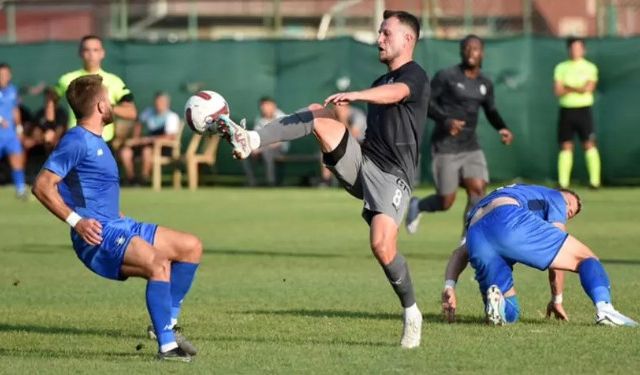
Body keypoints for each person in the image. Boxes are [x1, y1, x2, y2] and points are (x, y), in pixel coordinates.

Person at [212, 10, 429, 348]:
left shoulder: (414, 76)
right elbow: (378, 106)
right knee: (318, 111)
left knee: (381, 245)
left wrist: (357, 96)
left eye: (386, 33)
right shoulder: (377, 83)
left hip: (392, 177)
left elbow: (398, 93)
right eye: (380, 32)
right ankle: (252, 139)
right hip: (364, 162)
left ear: (408, 39)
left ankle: (412, 312)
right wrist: (341, 117)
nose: (379, 38)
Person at [32, 75, 203, 361]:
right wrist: (78, 221)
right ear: (100, 106)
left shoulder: (93, 140)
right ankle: (167, 347)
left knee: (190, 246)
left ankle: (167, 323)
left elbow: (83, 188)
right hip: (98, 234)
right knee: (159, 265)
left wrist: (115, 214)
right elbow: (42, 186)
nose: (112, 105)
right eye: (109, 100)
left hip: (118, 223)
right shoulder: (76, 140)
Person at [441, 183, 637, 327]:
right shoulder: (554, 196)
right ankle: (606, 310)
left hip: (476, 234)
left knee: (510, 313)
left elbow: (460, 253)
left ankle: (497, 304)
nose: (568, 212)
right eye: (571, 206)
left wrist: (449, 286)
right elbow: (557, 259)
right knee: (586, 258)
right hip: (508, 219)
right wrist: (557, 299)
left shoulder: (512, 192)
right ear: (564, 195)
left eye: (572, 214)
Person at [405, 34, 513, 236]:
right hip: (445, 145)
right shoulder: (447, 76)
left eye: (476, 48)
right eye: (467, 48)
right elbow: (426, 103)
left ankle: (467, 240)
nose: (471, 52)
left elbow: (490, 110)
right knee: (446, 201)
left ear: (482, 53)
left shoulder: (485, 83)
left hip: (471, 146)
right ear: (462, 51)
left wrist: (502, 128)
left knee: (478, 191)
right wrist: (446, 120)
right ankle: (418, 205)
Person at [51, 35, 136, 144]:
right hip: (75, 141)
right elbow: (51, 100)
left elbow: (131, 113)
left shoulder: (114, 81)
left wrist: (107, 106)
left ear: (102, 53)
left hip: (103, 142)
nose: (91, 54)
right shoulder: (67, 79)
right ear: (80, 53)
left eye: (95, 50)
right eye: (87, 50)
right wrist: (50, 127)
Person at [554, 37, 600, 189]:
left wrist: (569, 87)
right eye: (572, 48)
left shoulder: (590, 67)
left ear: (583, 50)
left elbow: (588, 88)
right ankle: (563, 183)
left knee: (589, 144)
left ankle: (595, 182)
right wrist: (578, 88)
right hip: (566, 111)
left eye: (578, 48)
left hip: (584, 110)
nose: (575, 51)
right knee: (566, 146)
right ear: (569, 50)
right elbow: (558, 90)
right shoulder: (561, 67)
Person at [119, 91, 180, 185]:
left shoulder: (172, 117)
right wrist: (135, 139)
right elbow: (138, 123)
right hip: (146, 144)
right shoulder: (149, 112)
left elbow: (170, 137)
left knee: (146, 151)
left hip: (163, 148)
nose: (158, 105)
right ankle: (131, 178)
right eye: (157, 102)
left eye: (161, 102)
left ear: (167, 103)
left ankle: (144, 179)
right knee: (125, 152)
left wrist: (149, 140)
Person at [242, 96, 288, 187]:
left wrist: (261, 149)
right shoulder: (259, 119)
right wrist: (254, 149)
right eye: (262, 106)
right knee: (245, 154)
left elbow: (280, 140)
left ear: (273, 106)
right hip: (262, 147)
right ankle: (252, 182)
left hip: (279, 148)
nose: (264, 108)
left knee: (267, 152)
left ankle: (270, 183)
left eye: (266, 105)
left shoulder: (282, 118)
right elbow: (256, 137)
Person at [0, 63, 27, 199]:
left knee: (17, 160)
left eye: (5, 74)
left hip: (10, 135)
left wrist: (19, 128)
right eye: (0, 74)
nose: (3, 77)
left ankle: (21, 189)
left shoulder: (13, 90)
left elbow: (15, 110)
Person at [23, 87, 68, 154]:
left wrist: (43, 139)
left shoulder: (61, 113)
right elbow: (35, 131)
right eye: (47, 99)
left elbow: (58, 133)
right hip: (40, 146)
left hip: (56, 146)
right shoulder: (40, 113)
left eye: (51, 99)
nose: (48, 101)